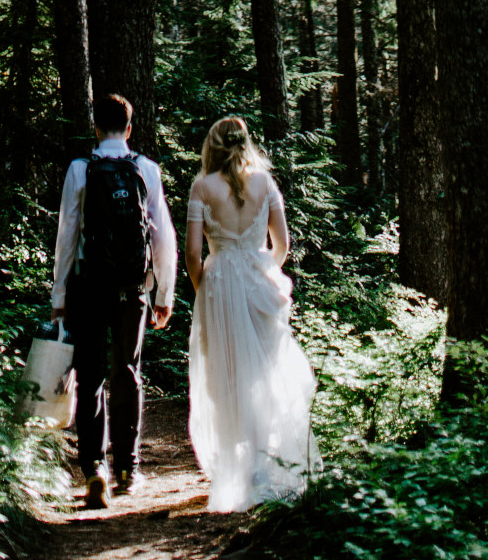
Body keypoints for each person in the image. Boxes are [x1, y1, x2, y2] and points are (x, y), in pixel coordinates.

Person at [186, 114, 318, 513]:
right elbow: (283, 243)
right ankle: (262, 464)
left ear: (213, 146)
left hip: (221, 283)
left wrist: (204, 285)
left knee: (227, 375)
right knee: (263, 371)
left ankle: (242, 470)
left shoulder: (202, 187)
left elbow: (193, 253)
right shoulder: (266, 183)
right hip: (260, 281)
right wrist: (264, 269)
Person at [51, 92, 176, 510]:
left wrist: (59, 294)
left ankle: (93, 470)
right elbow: (162, 237)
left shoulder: (80, 169)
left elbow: (67, 234)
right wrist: (164, 293)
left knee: (90, 376)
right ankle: (128, 467)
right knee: (128, 371)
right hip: (132, 288)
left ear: (96, 127)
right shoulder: (146, 169)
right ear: (129, 127)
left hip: (89, 286)